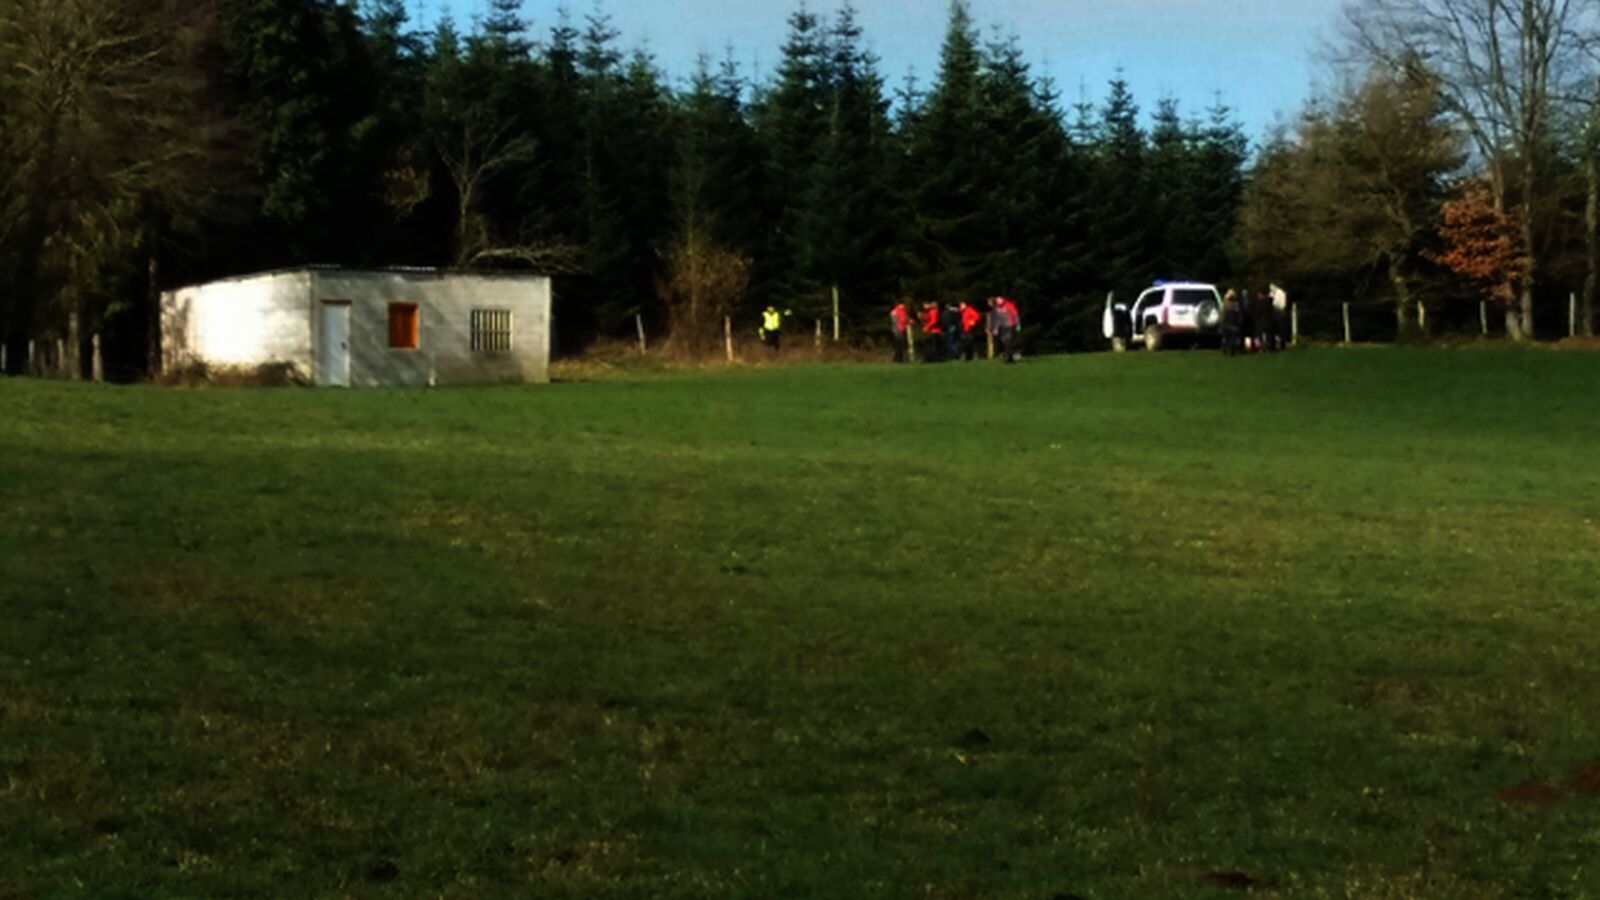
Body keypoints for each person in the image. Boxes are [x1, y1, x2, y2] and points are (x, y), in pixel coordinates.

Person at [989, 295, 1020, 363]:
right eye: (997, 300)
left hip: (1009, 325)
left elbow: (1015, 314)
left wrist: (1017, 324)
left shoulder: (1009, 305)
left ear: (1003, 299)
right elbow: (996, 318)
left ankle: (1010, 357)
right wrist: (995, 328)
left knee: (1007, 340)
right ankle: (1009, 356)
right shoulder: (996, 308)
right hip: (1002, 326)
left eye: (999, 300)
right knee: (1003, 341)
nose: (998, 301)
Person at [1221, 289, 1243, 356]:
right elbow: (1239, 314)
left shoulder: (1225, 304)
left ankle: (1225, 348)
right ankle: (1231, 349)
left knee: (1226, 337)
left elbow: (1222, 313)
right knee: (1232, 337)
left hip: (1226, 322)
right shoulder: (1236, 304)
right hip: (1233, 323)